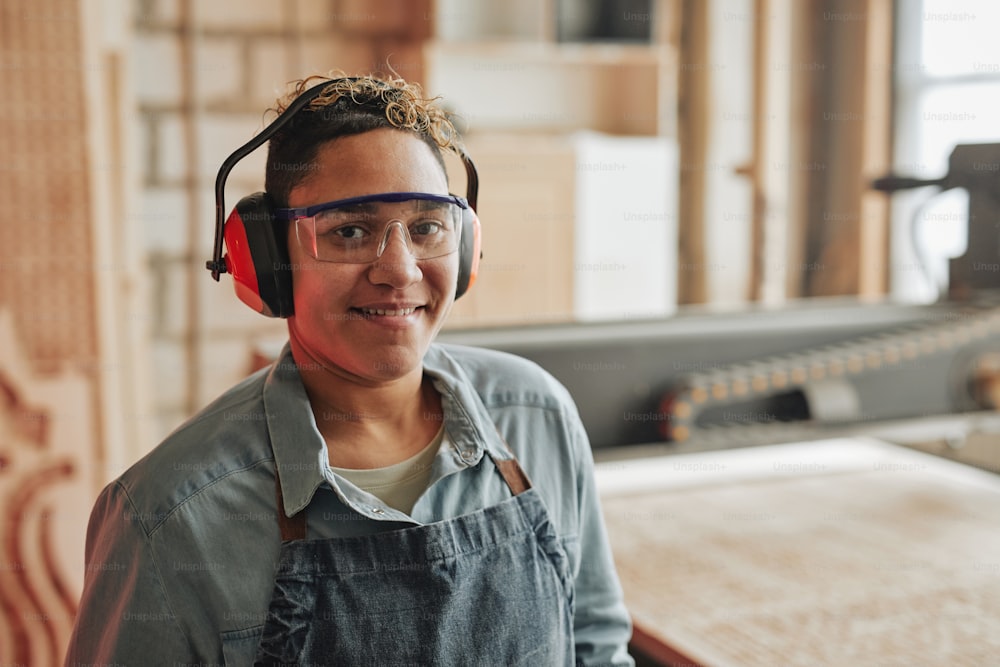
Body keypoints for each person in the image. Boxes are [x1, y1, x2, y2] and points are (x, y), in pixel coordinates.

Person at [65, 73, 634, 666]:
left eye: (426, 227)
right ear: (267, 264)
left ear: (466, 249)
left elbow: (595, 646)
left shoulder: (536, 417)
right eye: (350, 231)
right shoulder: (168, 517)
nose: (401, 271)